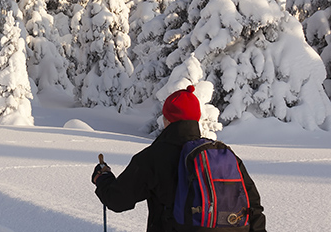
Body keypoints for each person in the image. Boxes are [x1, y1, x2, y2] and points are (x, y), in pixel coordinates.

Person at [92, 86, 266, 232]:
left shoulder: (152, 157)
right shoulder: (224, 155)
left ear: (167, 120)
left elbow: (117, 200)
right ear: (196, 119)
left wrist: (103, 178)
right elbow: (254, 207)